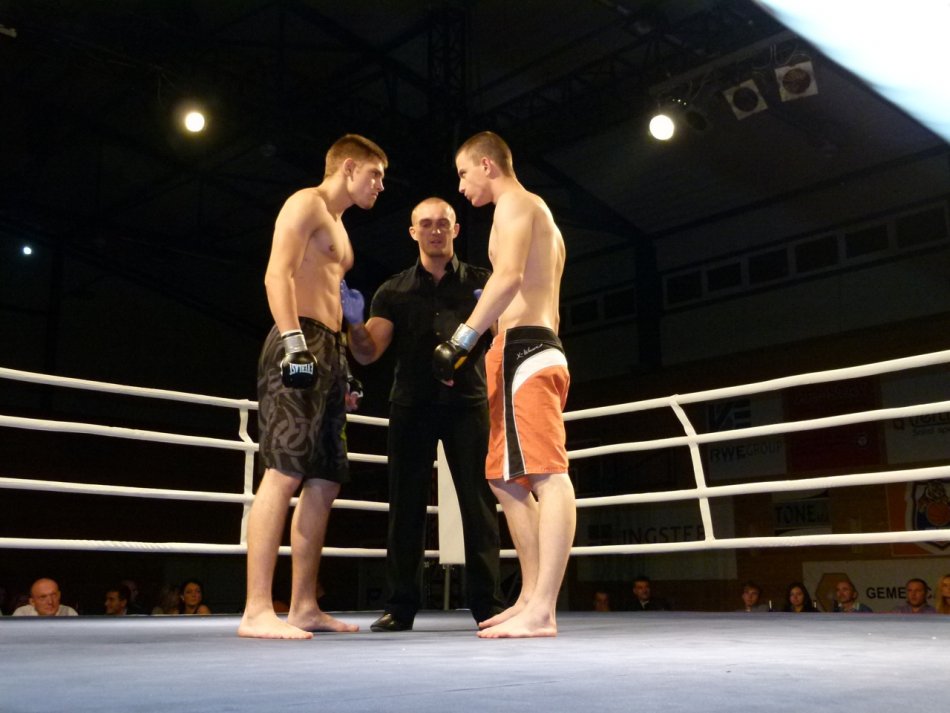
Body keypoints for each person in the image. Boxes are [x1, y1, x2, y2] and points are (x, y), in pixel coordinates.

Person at [238, 133, 388, 640]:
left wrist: (341, 365)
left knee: (325, 480)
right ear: (348, 167)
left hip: (329, 348)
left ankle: (304, 605)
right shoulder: (306, 202)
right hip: (297, 338)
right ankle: (257, 609)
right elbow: (276, 274)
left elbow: (329, 296)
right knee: (283, 470)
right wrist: (294, 343)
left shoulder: (341, 229)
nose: (380, 186)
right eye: (375, 174)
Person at [343, 196, 504, 632]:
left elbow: (503, 339)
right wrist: (354, 324)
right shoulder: (393, 290)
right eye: (426, 224)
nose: (435, 230)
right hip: (411, 405)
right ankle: (400, 606)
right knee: (405, 505)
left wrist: (497, 320)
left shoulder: (483, 283)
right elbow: (368, 353)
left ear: (455, 230)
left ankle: (488, 605)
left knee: (479, 503)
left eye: (443, 223)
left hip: (468, 403)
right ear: (413, 232)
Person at [436, 131, 573, 638]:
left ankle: (544, 608)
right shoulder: (531, 214)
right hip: (516, 350)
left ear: (487, 165)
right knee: (504, 478)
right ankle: (531, 595)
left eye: (463, 173)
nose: (461, 185)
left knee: (546, 473)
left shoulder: (517, 204)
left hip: (526, 349)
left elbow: (510, 277)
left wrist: (461, 338)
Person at [12, 578, 78, 617]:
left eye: (54, 595)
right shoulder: (22, 614)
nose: (50, 602)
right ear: (32, 602)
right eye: (43, 597)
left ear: (59, 595)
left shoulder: (69, 613)